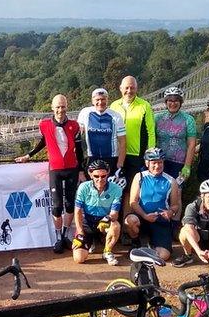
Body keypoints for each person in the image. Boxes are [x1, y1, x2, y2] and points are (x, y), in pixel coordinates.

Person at [14, 94, 82, 254]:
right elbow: (42, 142)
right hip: (56, 169)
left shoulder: (75, 125)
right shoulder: (44, 124)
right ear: (52, 108)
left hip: (72, 168)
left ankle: (65, 235)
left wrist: (81, 170)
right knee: (57, 206)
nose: (60, 110)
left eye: (63, 106)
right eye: (57, 107)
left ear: (67, 106)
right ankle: (58, 238)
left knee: (70, 204)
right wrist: (28, 156)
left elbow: (79, 150)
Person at [124, 148, 181, 261]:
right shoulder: (139, 177)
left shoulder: (171, 181)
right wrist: (145, 215)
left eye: (160, 162)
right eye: (154, 163)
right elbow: (133, 202)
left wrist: (170, 212)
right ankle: (136, 243)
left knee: (164, 256)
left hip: (160, 220)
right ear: (147, 163)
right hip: (142, 217)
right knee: (130, 220)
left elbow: (175, 205)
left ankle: (150, 247)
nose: (157, 166)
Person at [109, 76, 156, 192]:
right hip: (116, 154)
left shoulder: (145, 106)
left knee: (131, 190)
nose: (129, 91)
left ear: (136, 89)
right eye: (126, 88)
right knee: (114, 189)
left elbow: (151, 132)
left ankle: (128, 211)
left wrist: (151, 156)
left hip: (135, 155)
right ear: (120, 88)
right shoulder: (113, 106)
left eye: (132, 88)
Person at [71, 160, 123, 265]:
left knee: (116, 225)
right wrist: (80, 232)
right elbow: (77, 212)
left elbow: (115, 213)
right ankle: (91, 242)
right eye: (96, 176)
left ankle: (107, 251)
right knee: (79, 259)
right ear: (90, 174)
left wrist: (108, 218)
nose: (100, 179)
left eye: (103, 176)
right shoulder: (83, 187)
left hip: (103, 221)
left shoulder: (116, 189)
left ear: (108, 173)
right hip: (87, 222)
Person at [77, 87, 126, 177]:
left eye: (103, 99)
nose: (100, 102)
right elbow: (77, 136)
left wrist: (120, 163)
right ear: (92, 101)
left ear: (107, 100)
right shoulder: (85, 113)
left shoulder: (116, 116)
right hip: (92, 158)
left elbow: (122, 142)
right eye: (97, 100)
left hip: (111, 158)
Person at [154, 87, 197, 183]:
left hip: (179, 163)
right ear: (166, 102)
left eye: (176, 100)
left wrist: (187, 166)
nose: (173, 103)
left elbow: (192, 145)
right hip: (159, 162)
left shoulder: (188, 120)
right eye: (170, 100)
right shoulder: (157, 118)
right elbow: (151, 140)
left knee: (177, 192)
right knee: (159, 192)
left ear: (181, 102)